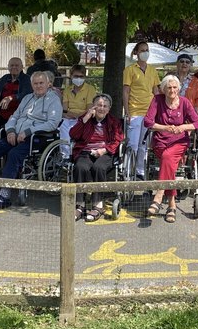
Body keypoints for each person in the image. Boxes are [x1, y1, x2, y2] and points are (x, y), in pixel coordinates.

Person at [0, 71, 63, 210]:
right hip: (16, 134)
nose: (38, 86)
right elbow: (14, 117)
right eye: (35, 83)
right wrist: (10, 130)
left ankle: (4, 194)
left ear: (48, 84)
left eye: (41, 83)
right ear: (31, 85)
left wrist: (28, 131)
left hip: (36, 138)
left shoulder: (53, 100)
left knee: (14, 154)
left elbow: (52, 124)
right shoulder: (27, 98)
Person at [143, 75, 198, 223]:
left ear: (179, 89)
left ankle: (159, 194)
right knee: (167, 160)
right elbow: (147, 122)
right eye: (169, 87)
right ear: (164, 89)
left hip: (179, 142)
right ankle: (171, 204)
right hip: (160, 141)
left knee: (167, 157)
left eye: (175, 87)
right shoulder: (157, 100)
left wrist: (183, 127)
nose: (172, 90)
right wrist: (164, 128)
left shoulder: (184, 102)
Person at [69, 94, 125, 222]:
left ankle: (98, 205)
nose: (102, 108)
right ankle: (80, 205)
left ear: (109, 109)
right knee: (80, 167)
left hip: (105, 152)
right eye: (99, 105)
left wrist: (104, 150)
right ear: (93, 106)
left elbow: (118, 140)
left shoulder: (114, 122)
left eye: (105, 106)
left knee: (99, 167)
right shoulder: (86, 118)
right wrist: (86, 118)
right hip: (86, 151)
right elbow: (73, 134)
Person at [122, 40, 160, 180]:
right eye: (142, 50)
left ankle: (139, 171)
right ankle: (128, 170)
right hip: (134, 111)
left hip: (149, 112)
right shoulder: (130, 70)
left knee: (143, 145)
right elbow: (126, 91)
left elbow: (156, 91)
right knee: (132, 144)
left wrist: (158, 110)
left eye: (147, 50)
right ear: (136, 53)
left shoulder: (152, 70)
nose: (145, 52)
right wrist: (127, 111)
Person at [60, 65, 97, 157]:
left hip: (84, 118)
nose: (78, 79)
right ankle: (65, 154)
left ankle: (74, 153)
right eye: (76, 76)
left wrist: (76, 115)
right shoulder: (67, 90)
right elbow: (64, 110)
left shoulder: (90, 89)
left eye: (81, 76)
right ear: (71, 76)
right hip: (69, 118)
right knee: (62, 125)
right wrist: (71, 114)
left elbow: (89, 109)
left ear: (85, 77)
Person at [0, 57, 32, 124]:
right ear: (8, 67)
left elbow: (26, 94)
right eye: (11, 65)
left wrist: (11, 97)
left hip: (19, 116)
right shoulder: (4, 79)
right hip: (1, 114)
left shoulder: (27, 79)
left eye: (16, 65)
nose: (14, 67)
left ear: (22, 67)